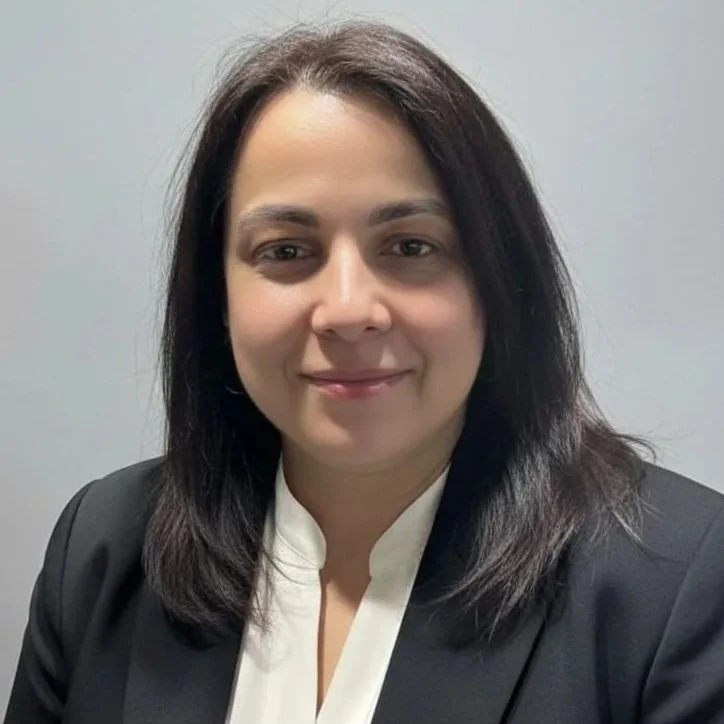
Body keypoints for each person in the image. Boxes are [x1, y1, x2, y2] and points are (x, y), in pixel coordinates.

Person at [5, 20, 724, 724]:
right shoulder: (103, 551)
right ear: (217, 297)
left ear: (499, 283)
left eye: (410, 246)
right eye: (286, 251)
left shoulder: (678, 584)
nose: (348, 311)